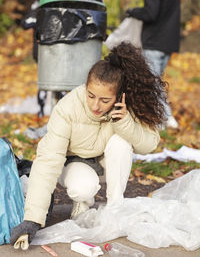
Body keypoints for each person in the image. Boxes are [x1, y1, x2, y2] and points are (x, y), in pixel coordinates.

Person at [10, 42, 167, 249]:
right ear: (86, 86)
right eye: (91, 95)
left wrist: (126, 123)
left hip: (104, 162)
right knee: (83, 189)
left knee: (121, 142)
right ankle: (82, 202)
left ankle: (114, 210)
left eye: (104, 100)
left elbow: (149, 145)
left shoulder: (126, 107)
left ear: (119, 96)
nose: (95, 105)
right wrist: (33, 219)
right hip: (73, 164)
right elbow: (48, 160)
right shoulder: (68, 108)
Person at [125, 0, 180, 129]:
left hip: (155, 42)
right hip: (169, 43)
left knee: (153, 83)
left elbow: (151, 14)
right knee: (157, 81)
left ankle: (166, 120)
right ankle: (162, 119)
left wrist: (133, 11)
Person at [21, 0, 77, 117]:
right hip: (43, 48)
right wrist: (42, 21)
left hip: (62, 49)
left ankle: (60, 114)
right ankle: (40, 114)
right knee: (45, 82)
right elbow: (26, 22)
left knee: (62, 82)